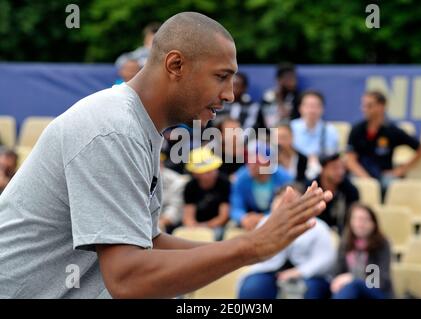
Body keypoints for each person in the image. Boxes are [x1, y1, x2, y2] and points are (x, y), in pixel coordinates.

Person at [0, 12, 332, 299]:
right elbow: (127, 278)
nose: (230, 94)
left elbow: (148, 244)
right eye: (221, 76)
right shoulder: (113, 128)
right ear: (175, 65)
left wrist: (255, 247)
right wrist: (251, 247)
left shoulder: (136, 126)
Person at [238, 184, 336, 299]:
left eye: (293, 199)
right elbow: (254, 254)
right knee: (252, 288)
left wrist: (299, 272)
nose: (286, 204)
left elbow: (325, 259)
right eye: (280, 199)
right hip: (270, 272)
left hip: (308, 275)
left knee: (311, 290)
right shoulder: (265, 222)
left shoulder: (318, 226)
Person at [346, 90, 421, 193]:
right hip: (361, 174)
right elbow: (350, 160)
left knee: (392, 185)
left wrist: (401, 170)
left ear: (381, 107)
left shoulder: (392, 131)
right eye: (363, 105)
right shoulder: (357, 130)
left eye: (369, 106)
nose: (364, 109)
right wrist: (367, 179)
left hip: (383, 175)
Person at [331, 203, 392, 299]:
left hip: (376, 292)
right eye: (356, 219)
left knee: (354, 285)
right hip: (350, 292)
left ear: (373, 223)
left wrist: (353, 278)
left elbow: (381, 281)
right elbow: (337, 274)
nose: (360, 223)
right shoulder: (345, 242)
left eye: (364, 219)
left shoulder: (382, 244)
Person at [230, 140, 294, 231]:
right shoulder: (241, 177)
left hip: (276, 222)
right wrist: (243, 218)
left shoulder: (284, 178)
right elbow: (235, 206)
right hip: (249, 223)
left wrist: (264, 218)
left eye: (257, 161)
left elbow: (287, 206)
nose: (251, 165)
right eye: (249, 160)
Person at [183, 147, 231, 240]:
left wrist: (204, 226)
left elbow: (224, 217)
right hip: (196, 227)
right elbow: (188, 217)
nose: (212, 173)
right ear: (195, 173)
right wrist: (193, 226)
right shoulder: (190, 186)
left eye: (212, 169)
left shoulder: (224, 183)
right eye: (206, 171)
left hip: (218, 227)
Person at [290, 90, 340, 180]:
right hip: (294, 172)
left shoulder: (330, 130)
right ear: (300, 108)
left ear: (322, 109)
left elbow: (332, 156)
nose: (312, 110)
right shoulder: (290, 128)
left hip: (320, 174)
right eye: (308, 106)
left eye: (316, 106)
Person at [306, 153, 359, 234]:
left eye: (342, 168)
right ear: (323, 169)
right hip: (315, 231)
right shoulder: (310, 188)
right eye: (335, 168)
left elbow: (352, 217)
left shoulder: (350, 190)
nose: (340, 172)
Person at [158, 154, 187, 234]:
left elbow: (174, 209)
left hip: (168, 225)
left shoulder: (177, 181)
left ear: (161, 164)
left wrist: (160, 222)